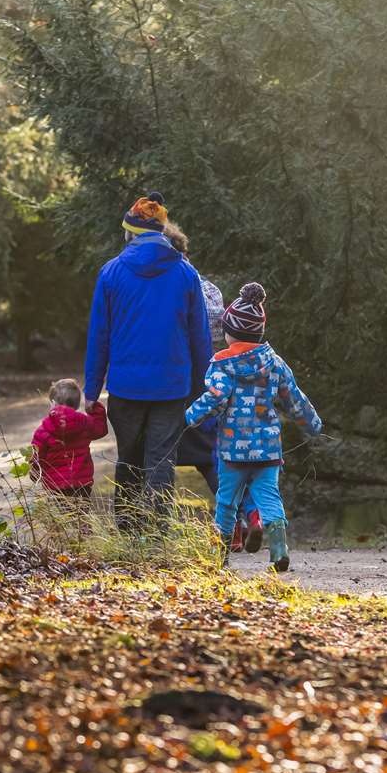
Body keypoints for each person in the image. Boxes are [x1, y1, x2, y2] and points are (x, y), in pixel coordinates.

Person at [84, 192, 213, 530]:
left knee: (128, 458)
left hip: (126, 387)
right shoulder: (185, 274)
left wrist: (91, 389)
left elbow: (99, 335)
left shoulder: (110, 272)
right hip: (171, 387)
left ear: (130, 234)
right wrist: (207, 385)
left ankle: (127, 532)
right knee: (161, 461)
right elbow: (199, 335)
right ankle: (157, 535)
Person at [185, 282, 322, 572]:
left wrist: (190, 416)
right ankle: (279, 551)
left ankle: (218, 556)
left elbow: (217, 397)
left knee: (226, 502)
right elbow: (293, 398)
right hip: (268, 449)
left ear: (229, 332)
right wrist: (313, 424)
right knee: (269, 497)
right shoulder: (274, 363)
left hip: (232, 452)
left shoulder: (221, 366)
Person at [164, 225, 261, 550]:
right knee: (215, 458)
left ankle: (153, 527)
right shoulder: (210, 289)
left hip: (178, 382)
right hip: (215, 379)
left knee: (160, 453)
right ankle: (242, 521)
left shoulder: (170, 287)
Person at [30, 378, 107, 511]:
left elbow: (37, 456)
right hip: (81, 484)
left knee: (62, 522)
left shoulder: (43, 430)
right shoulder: (84, 423)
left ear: (53, 403)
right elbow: (101, 429)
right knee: (81, 518)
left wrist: (35, 473)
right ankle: (84, 532)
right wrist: (95, 407)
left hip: (55, 486)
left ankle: (63, 532)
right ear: (77, 405)